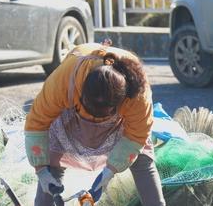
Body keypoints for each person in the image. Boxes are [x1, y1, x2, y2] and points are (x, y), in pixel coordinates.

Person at [25, 42, 166, 205]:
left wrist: (110, 170)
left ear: (120, 102)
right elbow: (37, 123)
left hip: (118, 120)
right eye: (91, 109)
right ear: (82, 92)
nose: (95, 122)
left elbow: (137, 135)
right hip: (72, 117)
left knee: (142, 159)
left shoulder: (137, 94)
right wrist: (41, 170)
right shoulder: (65, 79)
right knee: (52, 164)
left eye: (101, 114)